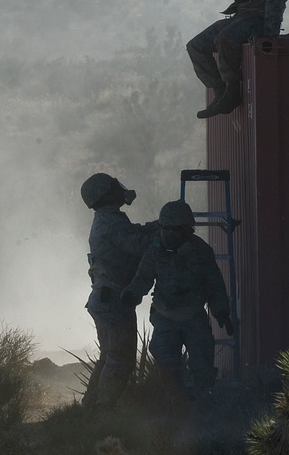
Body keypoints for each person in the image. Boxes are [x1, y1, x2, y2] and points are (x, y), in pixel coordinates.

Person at [120, 199, 233, 400]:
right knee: (166, 364)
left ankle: (202, 409)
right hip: (165, 316)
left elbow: (215, 285)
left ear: (187, 231)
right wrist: (131, 294)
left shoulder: (202, 252)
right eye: (165, 229)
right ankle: (176, 407)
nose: (169, 235)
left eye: (175, 231)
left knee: (203, 367)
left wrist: (221, 311)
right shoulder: (154, 251)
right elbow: (143, 278)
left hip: (193, 315)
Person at [186, 0, 288, 118]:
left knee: (225, 39)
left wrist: (269, 36)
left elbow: (274, 1)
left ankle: (233, 91)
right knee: (196, 46)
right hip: (243, 15)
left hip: (259, 19)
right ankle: (220, 91)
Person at [79, 172, 158, 408]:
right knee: (120, 361)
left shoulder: (108, 219)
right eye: (113, 187)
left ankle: (90, 410)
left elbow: (135, 233)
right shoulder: (111, 221)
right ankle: (103, 412)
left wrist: (157, 225)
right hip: (113, 299)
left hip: (106, 298)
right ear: (106, 194)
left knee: (110, 357)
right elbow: (139, 245)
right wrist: (166, 233)